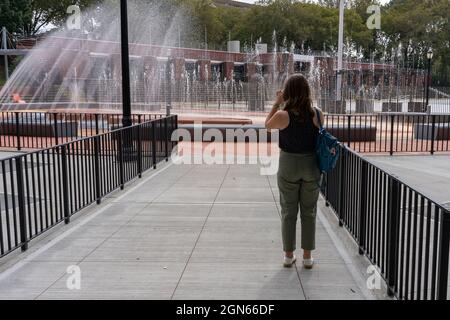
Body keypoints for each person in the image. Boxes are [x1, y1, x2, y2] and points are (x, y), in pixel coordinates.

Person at [265, 74, 324, 269]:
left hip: (288, 164)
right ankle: (307, 257)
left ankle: (288, 256)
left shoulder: (283, 115)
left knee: (288, 212)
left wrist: (277, 103)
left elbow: (267, 126)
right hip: (311, 165)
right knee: (309, 211)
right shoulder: (317, 113)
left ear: (288, 92)